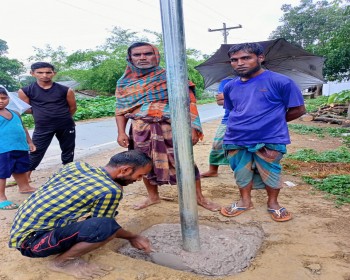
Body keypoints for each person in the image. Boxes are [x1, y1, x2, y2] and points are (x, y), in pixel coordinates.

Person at [9, 150, 153, 279]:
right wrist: (133, 236)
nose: (139, 180)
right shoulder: (110, 190)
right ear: (125, 170)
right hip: (31, 243)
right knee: (106, 228)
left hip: (20, 229)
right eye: (139, 175)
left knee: (101, 223)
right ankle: (61, 263)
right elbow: (104, 225)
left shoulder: (76, 166)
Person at [115, 42, 220, 211]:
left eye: (148, 53)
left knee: (185, 161)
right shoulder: (124, 83)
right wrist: (121, 132)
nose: (142, 58)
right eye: (137, 55)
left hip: (173, 128)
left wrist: (193, 127)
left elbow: (189, 101)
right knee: (143, 163)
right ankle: (153, 197)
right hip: (141, 130)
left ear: (156, 56)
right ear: (130, 58)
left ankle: (199, 198)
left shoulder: (173, 76)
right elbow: (120, 109)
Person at [221, 42, 306, 222]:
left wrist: (273, 123)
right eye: (234, 60)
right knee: (240, 171)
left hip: (270, 138)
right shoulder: (230, 86)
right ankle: (245, 201)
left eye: (246, 58)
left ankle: (273, 203)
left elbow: (298, 109)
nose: (239, 63)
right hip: (236, 137)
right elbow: (233, 110)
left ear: (260, 58)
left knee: (271, 170)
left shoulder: (281, 81)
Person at [18, 62, 77, 181]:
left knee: (68, 150)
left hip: (65, 125)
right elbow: (26, 109)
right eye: (40, 72)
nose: (44, 75)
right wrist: (42, 114)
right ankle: (25, 179)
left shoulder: (65, 90)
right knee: (36, 151)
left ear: (53, 73)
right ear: (32, 73)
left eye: (48, 72)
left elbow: (73, 107)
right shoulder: (25, 91)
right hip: (43, 126)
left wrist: (63, 117)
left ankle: (68, 174)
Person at [0, 87, 36, 210]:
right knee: (1, 174)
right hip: (2, 149)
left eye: (4, 98)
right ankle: (1, 198)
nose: (1, 101)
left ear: (9, 99)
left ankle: (24, 187)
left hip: (19, 147)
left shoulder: (15, 113)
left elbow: (23, 128)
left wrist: (30, 142)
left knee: (20, 168)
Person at [200, 77, 232, 178]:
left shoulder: (258, 80)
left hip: (253, 120)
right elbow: (220, 101)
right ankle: (213, 170)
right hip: (229, 119)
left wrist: (229, 97)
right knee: (218, 144)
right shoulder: (226, 81)